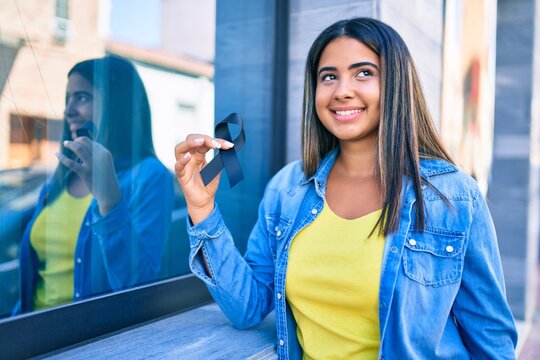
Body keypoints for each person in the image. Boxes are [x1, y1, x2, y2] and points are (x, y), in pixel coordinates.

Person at [174, 18, 517, 359]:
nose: (342, 90)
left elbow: (491, 341)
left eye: (364, 73)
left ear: (396, 84)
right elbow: (247, 307)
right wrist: (202, 209)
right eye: (329, 77)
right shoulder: (287, 189)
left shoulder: (453, 197)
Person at [15, 56, 174, 314]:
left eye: (82, 97)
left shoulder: (150, 177)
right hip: (34, 334)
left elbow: (139, 285)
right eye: (68, 98)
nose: (68, 111)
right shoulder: (59, 179)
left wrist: (110, 202)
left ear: (116, 105)